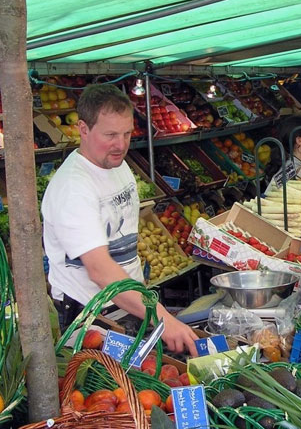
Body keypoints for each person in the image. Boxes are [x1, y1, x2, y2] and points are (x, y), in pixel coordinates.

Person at [41, 84, 198, 356]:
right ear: (83, 129)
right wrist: (161, 317)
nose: (121, 145)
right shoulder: (73, 188)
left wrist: (146, 306)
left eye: (127, 134)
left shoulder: (117, 164)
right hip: (89, 318)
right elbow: (100, 270)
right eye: (110, 135)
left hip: (127, 305)